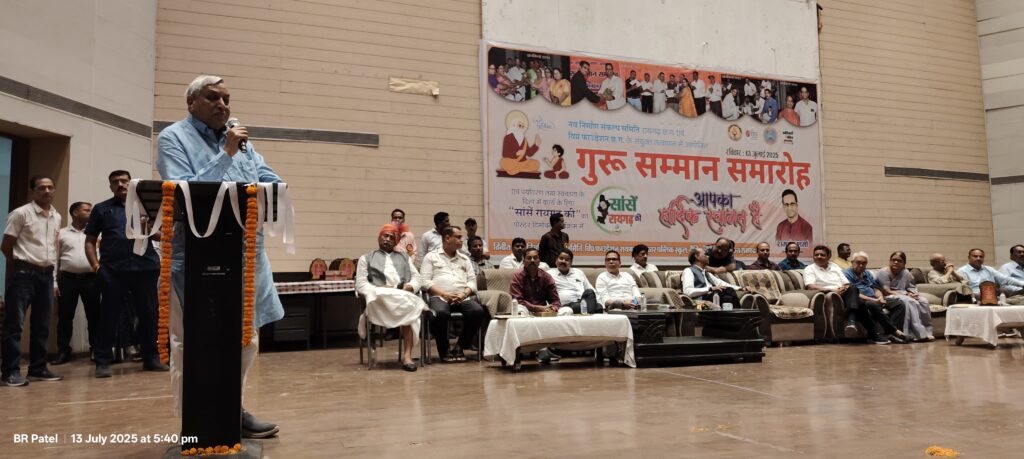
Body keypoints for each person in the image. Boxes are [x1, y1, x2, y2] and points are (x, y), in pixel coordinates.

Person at [156, 75, 279, 437]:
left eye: (226, 99)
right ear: (191, 102)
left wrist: (278, 187)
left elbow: (266, 176)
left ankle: (231, 410)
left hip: (245, 255)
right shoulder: (173, 138)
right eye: (213, 98)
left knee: (246, 340)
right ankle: (195, 420)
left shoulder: (241, 141)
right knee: (192, 344)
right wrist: (226, 153)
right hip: (195, 260)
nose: (222, 105)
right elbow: (185, 190)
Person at [85, 169, 165, 379]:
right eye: (115, 182)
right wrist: (96, 267)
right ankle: (103, 361)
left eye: (124, 181)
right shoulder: (102, 209)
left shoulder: (146, 207)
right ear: (110, 186)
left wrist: (152, 227)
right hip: (113, 271)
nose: (120, 184)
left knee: (149, 316)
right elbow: (90, 240)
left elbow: (158, 236)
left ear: (131, 184)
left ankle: (151, 359)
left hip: (145, 269)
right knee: (108, 316)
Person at [1, 176, 63, 386]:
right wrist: (21, 265)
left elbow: (53, 249)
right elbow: (6, 245)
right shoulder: (21, 213)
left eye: (50, 187)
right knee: (15, 325)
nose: (46, 191)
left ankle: (38, 369)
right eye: (41, 188)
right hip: (23, 275)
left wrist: (53, 280)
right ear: (33, 191)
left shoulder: (56, 216)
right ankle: (10, 372)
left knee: (42, 325)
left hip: (46, 275)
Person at [355, 224, 427, 372]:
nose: (387, 239)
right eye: (385, 236)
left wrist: (409, 287)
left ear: (396, 241)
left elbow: (417, 279)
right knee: (408, 306)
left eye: (391, 237)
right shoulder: (366, 258)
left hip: (402, 295)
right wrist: (379, 290)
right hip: (379, 300)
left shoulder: (404, 257)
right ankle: (422, 306)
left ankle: (407, 357)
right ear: (379, 237)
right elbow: (361, 284)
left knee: (407, 306)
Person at [420, 226, 489, 362]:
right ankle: (444, 349)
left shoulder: (464, 259)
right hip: (439, 297)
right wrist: (444, 294)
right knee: (440, 313)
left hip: (461, 297)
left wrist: (464, 294)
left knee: (477, 311)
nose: (462, 240)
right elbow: (424, 282)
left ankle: (460, 346)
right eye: (458, 237)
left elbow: (472, 282)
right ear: (447, 238)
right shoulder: (431, 257)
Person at [51, 201, 100, 365]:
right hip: (67, 280)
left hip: (91, 279)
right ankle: (63, 351)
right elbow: (54, 259)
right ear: (75, 213)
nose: (91, 213)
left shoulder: (95, 233)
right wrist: (54, 282)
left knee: (94, 316)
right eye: (87, 210)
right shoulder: (61, 234)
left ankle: (96, 349)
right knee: (65, 316)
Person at [842, 252, 909, 344]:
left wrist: (880, 297)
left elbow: (875, 288)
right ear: (852, 262)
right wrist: (874, 300)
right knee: (873, 304)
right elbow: (853, 293)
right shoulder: (846, 274)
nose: (861, 265)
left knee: (899, 304)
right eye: (858, 262)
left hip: (875, 298)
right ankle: (895, 331)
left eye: (864, 263)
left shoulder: (867, 273)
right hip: (863, 301)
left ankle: (890, 334)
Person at [877, 251, 933, 341]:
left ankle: (927, 332)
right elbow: (887, 291)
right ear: (890, 261)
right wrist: (906, 295)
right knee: (910, 301)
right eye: (893, 260)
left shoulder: (906, 272)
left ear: (904, 263)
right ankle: (916, 334)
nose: (895, 262)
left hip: (904, 294)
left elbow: (911, 287)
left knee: (923, 301)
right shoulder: (883, 272)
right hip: (889, 296)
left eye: (899, 261)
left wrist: (913, 293)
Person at [683, 248, 748, 307]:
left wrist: (741, 288)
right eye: (705, 254)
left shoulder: (706, 273)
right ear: (697, 257)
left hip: (713, 296)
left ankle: (737, 316)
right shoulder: (688, 271)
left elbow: (721, 283)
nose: (708, 256)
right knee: (727, 290)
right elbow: (688, 291)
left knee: (728, 298)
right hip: (701, 300)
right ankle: (742, 314)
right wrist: (710, 289)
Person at [957, 248, 1024, 300]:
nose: (978, 258)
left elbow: (1005, 279)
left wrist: (1022, 284)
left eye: (981, 257)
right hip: (974, 298)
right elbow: (965, 290)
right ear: (969, 257)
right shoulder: (962, 271)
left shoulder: (989, 269)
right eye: (975, 256)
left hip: (993, 297)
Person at [548, 248, 600, 314]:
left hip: (583, 302)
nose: (563, 261)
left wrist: (598, 302)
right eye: (561, 258)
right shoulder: (549, 274)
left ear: (571, 263)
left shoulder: (578, 272)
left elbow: (591, 289)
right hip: (565, 306)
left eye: (567, 260)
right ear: (556, 260)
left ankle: (586, 313)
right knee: (597, 308)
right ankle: (587, 313)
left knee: (591, 294)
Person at [499, 110, 542, 176]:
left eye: (523, 126)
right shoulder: (508, 137)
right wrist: (516, 153)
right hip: (511, 162)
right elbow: (505, 153)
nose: (521, 128)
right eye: (519, 125)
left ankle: (516, 169)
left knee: (536, 164)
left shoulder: (524, 139)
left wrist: (536, 145)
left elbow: (529, 153)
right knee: (503, 162)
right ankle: (521, 169)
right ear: (514, 125)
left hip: (522, 162)